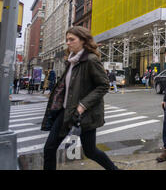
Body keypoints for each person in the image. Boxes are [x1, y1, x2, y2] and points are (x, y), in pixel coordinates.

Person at [41, 26, 119, 170]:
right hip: (65, 112)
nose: (68, 43)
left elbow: (103, 85)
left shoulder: (91, 60)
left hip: (84, 114)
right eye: (67, 40)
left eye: (72, 39)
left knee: (91, 151)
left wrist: (82, 105)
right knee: (49, 148)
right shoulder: (71, 61)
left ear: (83, 41)